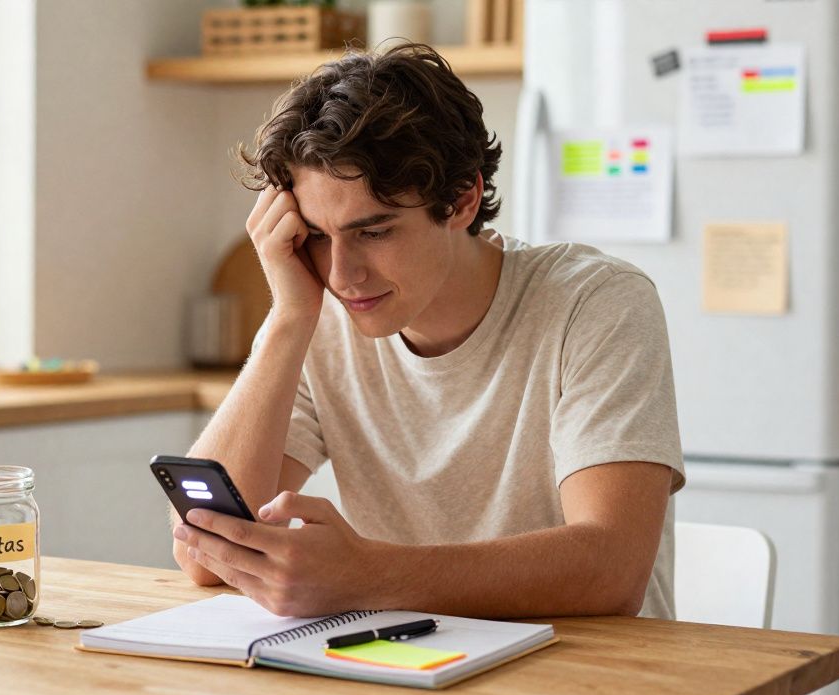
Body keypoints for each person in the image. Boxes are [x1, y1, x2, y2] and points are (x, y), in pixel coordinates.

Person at [169, 43, 685, 620]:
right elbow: (206, 557)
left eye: (375, 231)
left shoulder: (595, 302)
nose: (342, 275)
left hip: (594, 682)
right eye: (316, 235)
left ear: (462, 199)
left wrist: (365, 575)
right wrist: (288, 318)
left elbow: (611, 569)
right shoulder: (322, 317)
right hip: (407, 670)